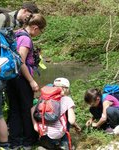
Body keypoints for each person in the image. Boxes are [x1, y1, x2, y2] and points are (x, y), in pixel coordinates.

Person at [6, 13, 46, 149]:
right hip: (21, 79)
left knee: (15, 109)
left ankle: (15, 141)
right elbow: (20, 61)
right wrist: (31, 81)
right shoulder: (25, 39)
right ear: (35, 27)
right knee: (27, 109)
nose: (40, 33)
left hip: (11, 78)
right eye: (41, 30)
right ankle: (28, 141)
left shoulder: (16, 34)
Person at [31, 77, 81, 150]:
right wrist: (75, 124)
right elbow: (71, 121)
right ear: (66, 89)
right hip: (56, 134)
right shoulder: (67, 99)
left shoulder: (43, 98)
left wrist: (35, 126)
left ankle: (47, 146)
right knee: (65, 117)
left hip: (42, 132)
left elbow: (32, 109)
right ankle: (64, 144)